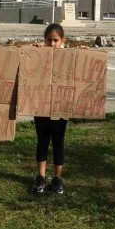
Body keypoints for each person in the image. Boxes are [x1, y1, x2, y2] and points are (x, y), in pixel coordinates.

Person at [29, 23, 81, 195]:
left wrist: (84, 53)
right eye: (49, 40)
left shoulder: (69, 56)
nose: (52, 44)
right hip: (41, 105)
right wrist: (32, 49)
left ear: (62, 41)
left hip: (61, 105)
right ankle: (41, 177)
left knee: (58, 142)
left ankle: (57, 179)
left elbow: (80, 67)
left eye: (55, 40)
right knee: (42, 140)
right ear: (44, 40)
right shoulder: (38, 54)